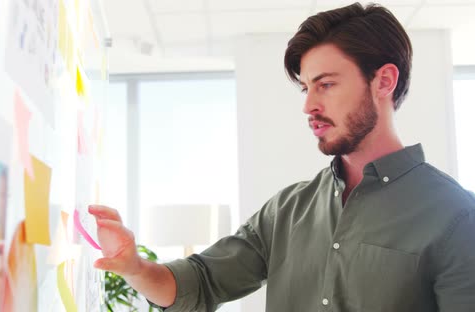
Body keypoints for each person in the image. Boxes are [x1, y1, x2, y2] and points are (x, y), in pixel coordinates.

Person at [89, 3, 475, 312]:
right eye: (306, 88)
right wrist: (134, 267)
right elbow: (201, 284)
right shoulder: (287, 210)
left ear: (383, 82)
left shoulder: (456, 216)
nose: (309, 105)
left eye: (326, 85)